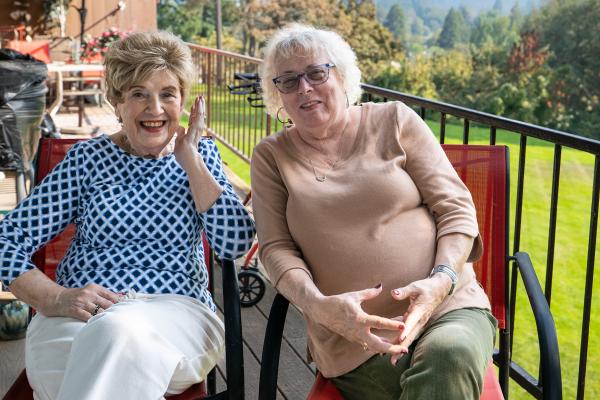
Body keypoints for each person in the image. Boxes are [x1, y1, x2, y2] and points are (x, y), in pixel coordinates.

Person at [0, 31, 255, 400]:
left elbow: (233, 244)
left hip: (178, 314)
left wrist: (192, 162)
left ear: (182, 101)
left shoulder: (200, 157)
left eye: (167, 93)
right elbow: (6, 240)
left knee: (113, 337)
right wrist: (56, 298)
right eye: (138, 93)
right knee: (98, 355)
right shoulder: (86, 161)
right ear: (116, 102)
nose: (155, 108)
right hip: (75, 315)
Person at [251, 24, 496, 400]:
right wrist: (320, 307)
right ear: (277, 94)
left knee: (449, 357)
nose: (304, 88)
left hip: (446, 307)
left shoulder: (394, 120)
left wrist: (441, 281)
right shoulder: (271, 157)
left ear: (343, 76)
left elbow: (456, 208)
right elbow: (276, 249)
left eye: (317, 73)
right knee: (435, 387)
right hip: (354, 335)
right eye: (288, 81)